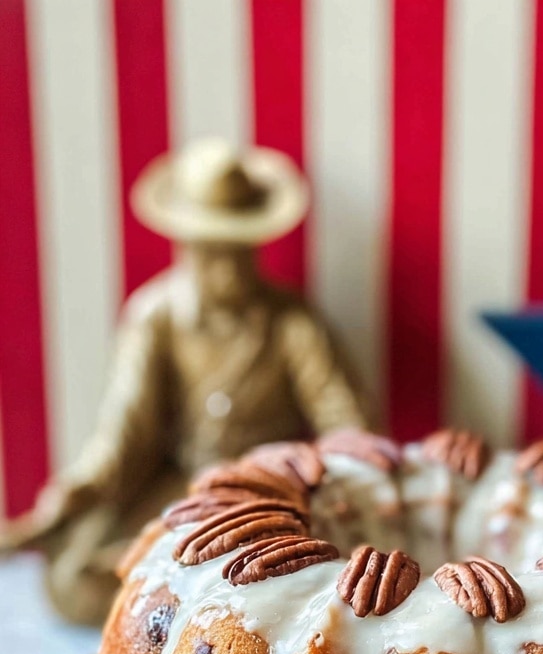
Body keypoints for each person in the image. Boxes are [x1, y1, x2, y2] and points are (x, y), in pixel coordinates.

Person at [0, 138, 368, 624]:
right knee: (73, 578)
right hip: (176, 485)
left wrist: (323, 478)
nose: (227, 270)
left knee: (271, 584)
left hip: (267, 496)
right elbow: (125, 433)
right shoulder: (155, 317)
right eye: (211, 253)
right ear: (185, 246)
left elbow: (347, 425)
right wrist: (76, 491)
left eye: (238, 251)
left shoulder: (293, 325)